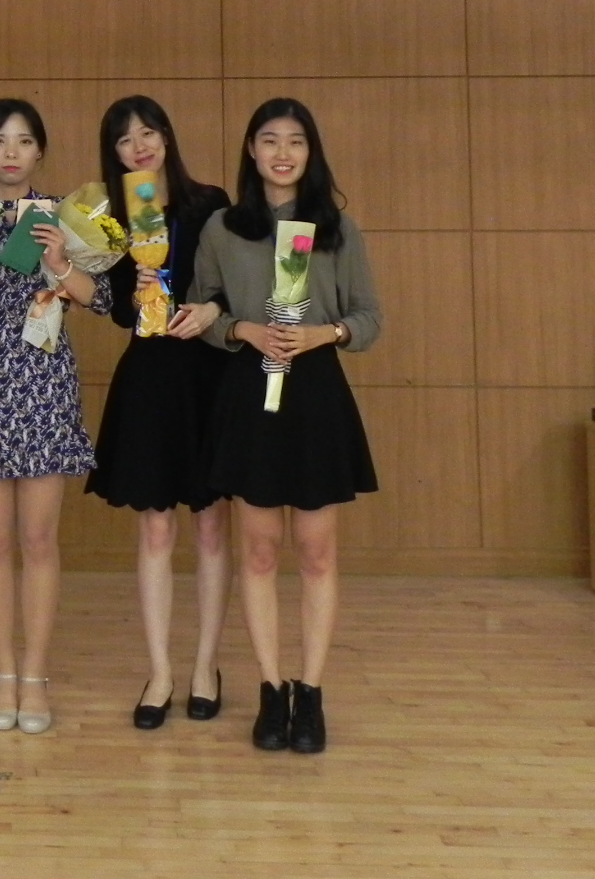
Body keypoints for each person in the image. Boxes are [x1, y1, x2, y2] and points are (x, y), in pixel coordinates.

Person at [195, 97, 381, 756]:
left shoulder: (337, 229)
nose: (282, 153)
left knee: (317, 550)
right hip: (251, 389)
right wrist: (241, 328)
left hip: (316, 391)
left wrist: (324, 334)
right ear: (251, 150)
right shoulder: (223, 227)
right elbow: (201, 310)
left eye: (295, 141)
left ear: (311, 151)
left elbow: (368, 319)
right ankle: (272, 688)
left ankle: (312, 691)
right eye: (269, 140)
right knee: (260, 549)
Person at [0, 99, 107, 736]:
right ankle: (3, 672)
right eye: (0, 141)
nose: (11, 152)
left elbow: (101, 299)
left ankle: (34, 675)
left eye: (25, 141)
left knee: (38, 540)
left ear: (40, 152)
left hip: (44, 386)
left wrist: (61, 261)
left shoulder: (64, 215)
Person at [82, 96, 234, 730]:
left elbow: (236, 286)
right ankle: (161, 672)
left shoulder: (211, 204)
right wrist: (136, 291)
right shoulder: (114, 222)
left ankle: (205, 667)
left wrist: (212, 308)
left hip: (209, 375)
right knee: (155, 531)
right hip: (149, 374)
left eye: (147, 133)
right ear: (114, 154)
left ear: (167, 137)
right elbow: (118, 308)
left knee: (211, 528)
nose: (139, 146)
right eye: (125, 140)